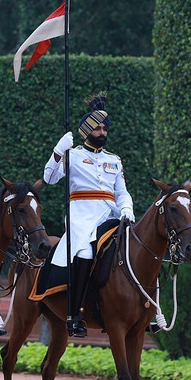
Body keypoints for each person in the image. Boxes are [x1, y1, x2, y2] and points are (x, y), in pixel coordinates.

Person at [44, 92, 134, 337]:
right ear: (86, 131)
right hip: (82, 217)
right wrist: (57, 152)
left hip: (110, 214)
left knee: (137, 248)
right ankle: (74, 314)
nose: (102, 132)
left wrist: (127, 208)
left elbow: (122, 192)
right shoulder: (73, 155)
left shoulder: (114, 160)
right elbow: (49, 178)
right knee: (85, 252)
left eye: (105, 128)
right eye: (97, 128)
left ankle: (147, 312)